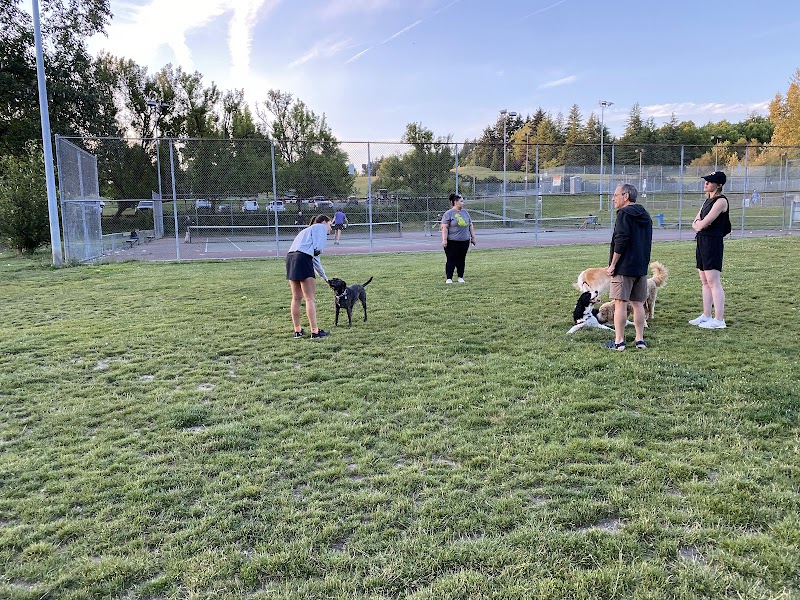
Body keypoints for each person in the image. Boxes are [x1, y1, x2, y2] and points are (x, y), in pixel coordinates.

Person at [603, 183, 653, 351]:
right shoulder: (645, 214)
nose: (613, 198)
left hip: (624, 267)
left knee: (620, 303)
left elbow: (621, 240)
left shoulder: (623, 214)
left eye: (616, 195)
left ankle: (619, 341)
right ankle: (640, 340)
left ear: (626, 196)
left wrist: (613, 265)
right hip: (640, 267)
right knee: (638, 304)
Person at [689, 171, 730, 329]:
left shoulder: (720, 201)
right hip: (702, 242)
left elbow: (702, 224)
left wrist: (699, 224)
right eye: (706, 181)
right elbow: (695, 222)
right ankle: (706, 315)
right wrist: (698, 224)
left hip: (712, 243)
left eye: (710, 181)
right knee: (704, 281)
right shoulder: (707, 200)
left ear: (718, 184)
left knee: (713, 281)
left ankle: (719, 320)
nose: (706, 183)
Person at [286, 214, 333, 339]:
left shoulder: (306, 231)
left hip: (291, 258)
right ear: (324, 222)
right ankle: (315, 332)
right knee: (310, 299)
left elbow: (314, 258)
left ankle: (297, 331)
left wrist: (324, 277)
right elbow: (317, 251)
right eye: (330, 224)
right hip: (303, 259)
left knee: (296, 298)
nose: (331, 229)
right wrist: (325, 278)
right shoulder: (320, 227)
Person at [441, 193, 476, 283]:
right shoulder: (448, 214)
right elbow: (444, 227)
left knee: (461, 259)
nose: (463, 203)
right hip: (452, 241)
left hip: (464, 241)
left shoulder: (465, 212)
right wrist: (444, 240)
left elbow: (470, 225)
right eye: (461, 201)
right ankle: (449, 278)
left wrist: (473, 237)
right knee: (451, 259)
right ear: (456, 202)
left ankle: (460, 277)